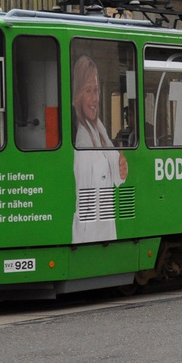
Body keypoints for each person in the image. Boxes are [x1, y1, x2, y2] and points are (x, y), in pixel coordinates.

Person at [71, 53, 127, 243]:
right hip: (92, 238)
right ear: (77, 94)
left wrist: (121, 167)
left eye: (96, 90)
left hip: (105, 233)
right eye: (88, 91)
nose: (95, 98)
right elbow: (84, 205)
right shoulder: (83, 142)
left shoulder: (98, 127)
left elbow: (116, 169)